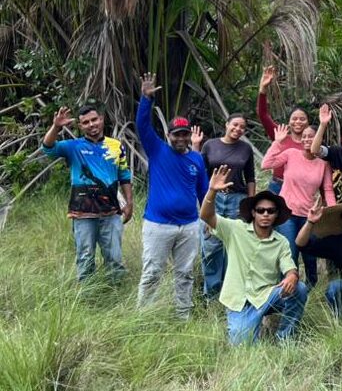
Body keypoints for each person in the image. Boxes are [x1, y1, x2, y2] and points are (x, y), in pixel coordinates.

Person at [199, 166, 307, 345]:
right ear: (253, 213)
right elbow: (206, 215)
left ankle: (284, 338)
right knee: (243, 345)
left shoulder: (280, 242)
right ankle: (251, 327)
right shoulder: (235, 229)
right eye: (261, 210)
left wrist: (292, 275)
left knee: (300, 288)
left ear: (276, 215)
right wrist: (211, 191)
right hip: (238, 300)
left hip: (267, 296)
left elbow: (289, 267)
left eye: (270, 211)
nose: (265, 214)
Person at [135, 73, 208, 319]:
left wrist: (207, 220)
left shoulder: (196, 159)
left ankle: (183, 315)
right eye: (176, 134)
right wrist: (146, 99)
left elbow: (203, 192)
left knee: (185, 273)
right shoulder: (157, 151)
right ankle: (144, 315)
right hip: (158, 225)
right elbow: (142, 126)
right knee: (152, 272)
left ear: (190, 136)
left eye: (184, 134)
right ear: (169, 136)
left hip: (188, 226)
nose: (180, 138)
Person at [42, 105, 133, 281]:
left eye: (94, 120)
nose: (91, 124)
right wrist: (56, 127)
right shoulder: (73, 147)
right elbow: (48, 148)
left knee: (115, 259)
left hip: (111, 212)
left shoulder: (116, 146)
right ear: (80, 126)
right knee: (85, 259)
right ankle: (87, 299)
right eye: (85, 122)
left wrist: (129, 203)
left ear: (102, 119)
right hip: (82, 213)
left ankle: (116, 297)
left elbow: (124, 175)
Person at [262, 123, 336, 287]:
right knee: (291, 253)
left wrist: (333, 212)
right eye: (304, 136)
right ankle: (286, 289)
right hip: (287, 213)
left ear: (319, 139)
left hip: (309, 216)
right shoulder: (291, 154)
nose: (307, 139)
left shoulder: (323, 164)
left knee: (310, 255)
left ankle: (311, 290)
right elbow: (266, 164)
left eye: (311, 136)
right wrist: (277, 142)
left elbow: (328, 190)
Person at [196, 113, 256, 299]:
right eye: (235, 125)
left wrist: (251, 205)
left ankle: (231, 293)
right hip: (213, 198)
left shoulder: (246, 149)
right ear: (227, 124)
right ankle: (211, 295)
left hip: (237, 200)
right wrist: (195, 146)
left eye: (242, 127)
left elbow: (251, 178)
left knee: (235, 247)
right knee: (211, 246)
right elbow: (199, 172)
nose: (238, 129)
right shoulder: (210, 145)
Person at [257, 65, 311, 195]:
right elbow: (263, 114)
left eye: (302, 119)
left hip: (299, 188)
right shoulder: (280, 134)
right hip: (277, 185)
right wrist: (263, 89)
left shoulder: (311, 141)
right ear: (289, 122)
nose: (298, 122)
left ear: (308, 122)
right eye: (294, 119)